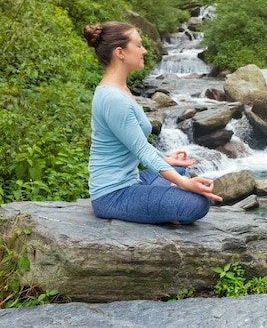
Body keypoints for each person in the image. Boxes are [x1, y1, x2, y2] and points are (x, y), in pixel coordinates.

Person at [83, 21, 222, 224]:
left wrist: (167, 160)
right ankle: (163, 209)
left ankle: (162, 207)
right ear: (120, 52)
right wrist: (183, 184)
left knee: (179, 171)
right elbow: (142, 151)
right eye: (138, 45)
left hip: (131, 182)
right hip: (113, 195)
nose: (145, 51)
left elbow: (135, 143)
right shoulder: (113, 98)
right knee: (197, 204)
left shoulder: (120, 89)